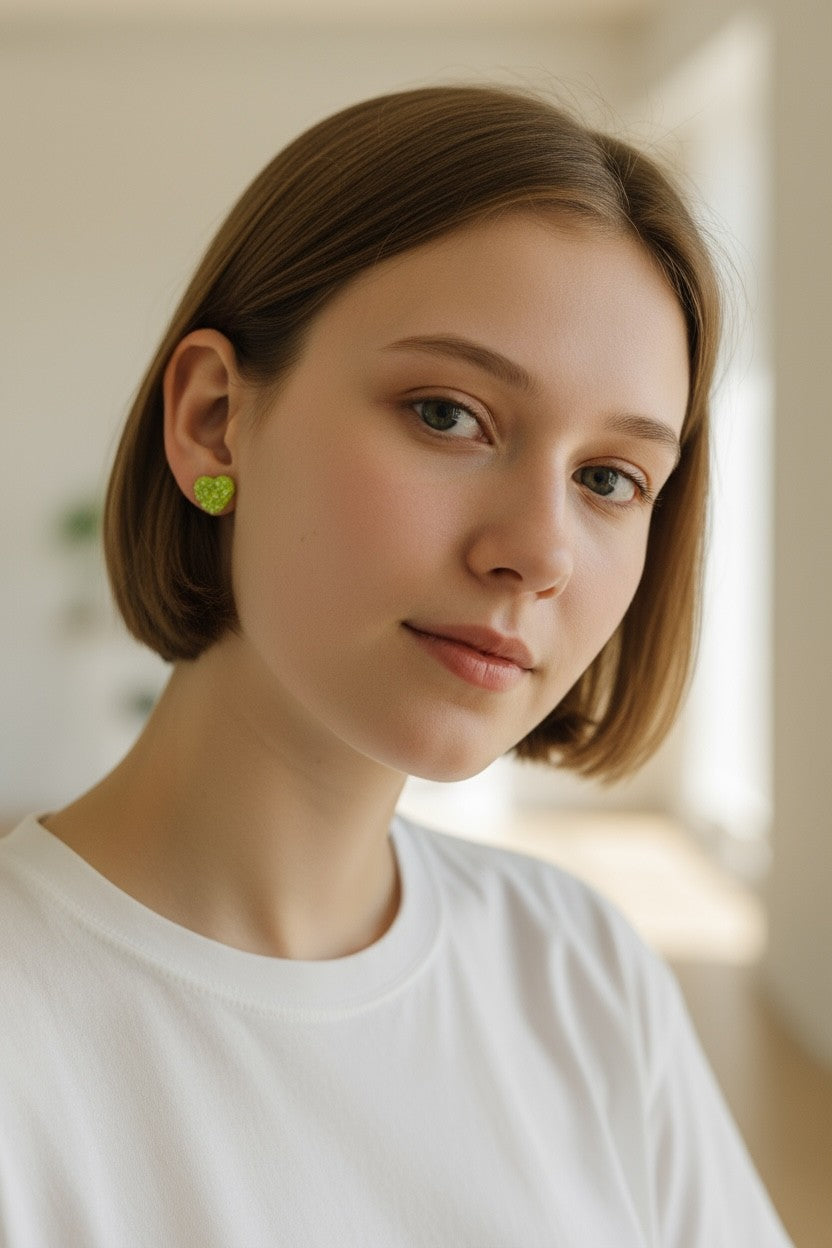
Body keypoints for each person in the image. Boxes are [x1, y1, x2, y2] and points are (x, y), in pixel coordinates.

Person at [0, 84, 792, 1246]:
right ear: (216, 421)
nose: (537, 553)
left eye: (610, 479)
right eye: (446, 413)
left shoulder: (578, 971)